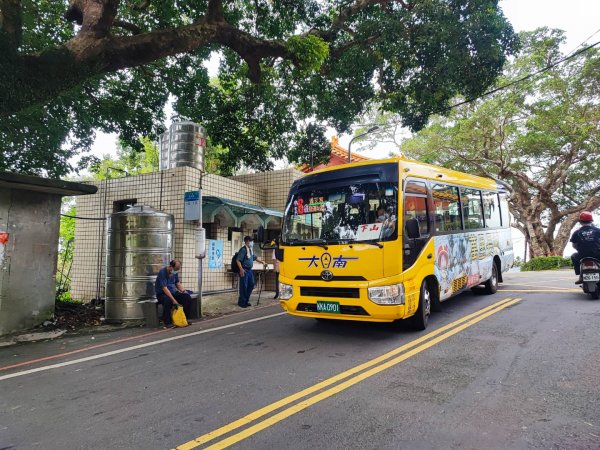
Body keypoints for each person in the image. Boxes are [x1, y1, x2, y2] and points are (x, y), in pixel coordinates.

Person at [155, 259, 192, 327]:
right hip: (162, 294)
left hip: (173, 292)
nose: (176, 271)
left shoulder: (174, 272)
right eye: (176, 269)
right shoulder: (162, 272)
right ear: (171, 266)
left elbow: (177, 283)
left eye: (178, 269)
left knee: (186, 297)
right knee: (167, 300)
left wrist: (184, 291)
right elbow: (164, 288)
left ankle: (184, 319)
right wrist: (174, 300)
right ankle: (167, 322)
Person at [570, 211, 600, 284]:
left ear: (580, 222)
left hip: (583, 255)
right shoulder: (597, 230)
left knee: (573, 256)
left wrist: (580, 249)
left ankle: (580, 276)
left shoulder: (576, 232)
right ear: (591, 221)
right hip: (597, 254)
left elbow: (574, 245)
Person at [236, 236, 265, 308]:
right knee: (244, 286)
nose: (252, 242)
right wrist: (241, 269)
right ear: (246, 241)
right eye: (250, 241)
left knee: (251, 284)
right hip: (244, 270)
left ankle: (246, 300)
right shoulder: (243, 250)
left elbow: (254, 258)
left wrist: (262, 262)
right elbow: (238, 260)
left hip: (249, 270)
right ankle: (242, 302)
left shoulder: (250, 250)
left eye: (252, 241)